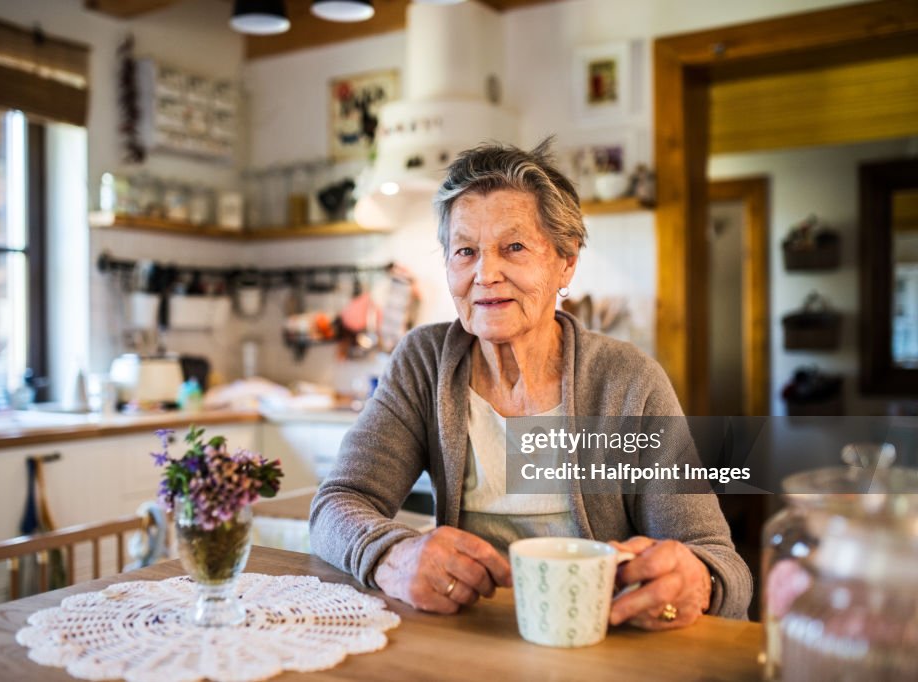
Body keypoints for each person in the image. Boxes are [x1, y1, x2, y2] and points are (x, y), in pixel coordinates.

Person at [310, 139, 751, 629]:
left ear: (565, 262)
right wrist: (390, 555)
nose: (485, 274)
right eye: (465, 251)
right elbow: (338, 504)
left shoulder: (627, 380)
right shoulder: (424, 362)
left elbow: (718, 558)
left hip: (597, 637)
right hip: (469, 633)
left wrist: (697, 580)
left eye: (513, 247)